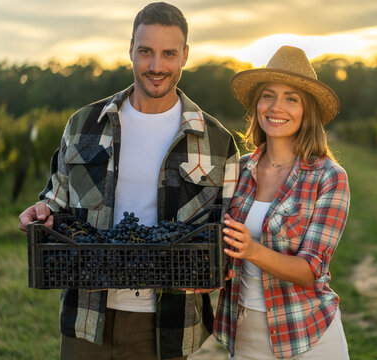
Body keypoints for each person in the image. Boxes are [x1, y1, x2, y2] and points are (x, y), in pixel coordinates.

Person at [18, 2, 239, 359]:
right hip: (88, 316)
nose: (156, 66)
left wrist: (219, 270)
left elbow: (227, 232)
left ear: (185, 55)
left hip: (168, 323)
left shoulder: (216, 140)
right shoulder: (84, 124)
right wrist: (41, 212)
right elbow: (56, 201)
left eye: (168, 53)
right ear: (130, 50)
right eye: (146, 52)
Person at [213, 45, 351, 359]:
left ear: (307, 112)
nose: (277, 107)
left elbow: (310, 270)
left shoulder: (329, 177)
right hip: (245, 334)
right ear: (257, 104)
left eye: (292, 98)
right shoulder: (239, 170)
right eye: (268, 95)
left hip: (307, 334)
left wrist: (252, 250)